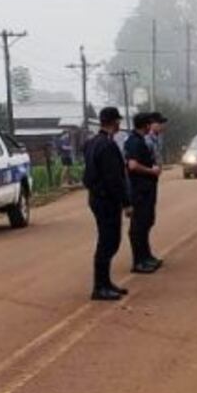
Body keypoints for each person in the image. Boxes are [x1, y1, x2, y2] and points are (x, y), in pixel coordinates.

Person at [83, 107, 132, 301]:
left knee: (107, 240)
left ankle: (105, 282)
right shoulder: (108, 146)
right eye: (118, 121)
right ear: (114, 122)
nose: (119, 124)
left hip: (96, 197)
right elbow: (115, 179)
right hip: (107, 200)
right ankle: (100, 286)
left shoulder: (91, 143)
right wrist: (126, 203)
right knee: (109, 242)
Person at [124, 112, 163, 274]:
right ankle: (138, 261)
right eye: (149, 124)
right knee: (138, 226)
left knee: (146, 222)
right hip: (138, 190)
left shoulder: (139, 141)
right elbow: (132, 165)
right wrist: (151, 171)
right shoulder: (134, 142)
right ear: (146, 125)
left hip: (146, 189)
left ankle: (146, 256)